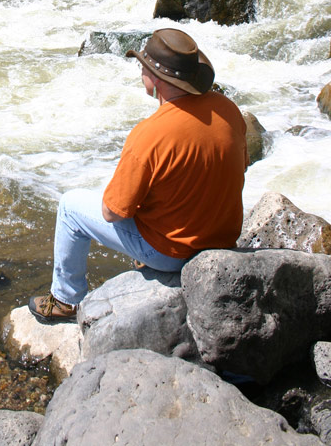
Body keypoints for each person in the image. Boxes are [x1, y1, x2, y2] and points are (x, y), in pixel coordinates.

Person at [29, 28, 248, 323]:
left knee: (70, 207)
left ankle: (66, 300)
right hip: (223, 238)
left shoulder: (150, 134)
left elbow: (111, 212)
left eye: (143, 65)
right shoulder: (228, 110)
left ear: (155, 79)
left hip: (173, 253)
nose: (140, 69)